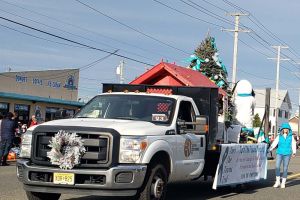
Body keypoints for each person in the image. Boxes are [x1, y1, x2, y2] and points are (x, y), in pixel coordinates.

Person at [269, 122, 296, 188]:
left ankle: (283, 183)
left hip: (287, 154)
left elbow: (293, 144)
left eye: (287, 129)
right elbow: (274, 143)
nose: (285, 130)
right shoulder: (279, 136)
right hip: (279, 153)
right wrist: (269, 149)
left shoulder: (291, 137)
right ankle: (278, 181)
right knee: (277, 167)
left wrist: (294, 152)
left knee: (285, 168)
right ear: (282, 129)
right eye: (284, 129)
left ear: (289, 129)